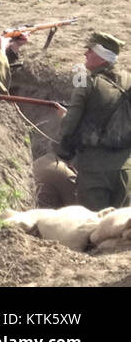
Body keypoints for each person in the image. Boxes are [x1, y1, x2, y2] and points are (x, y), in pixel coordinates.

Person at [56, 32, 131, 210]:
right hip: (126, 169)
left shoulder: (86, 82)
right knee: (123, 231)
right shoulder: (128, 80)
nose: (85, 54)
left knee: (93, 228)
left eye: (90, 50)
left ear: (102, 56)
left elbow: (69, 125)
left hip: (94, 171)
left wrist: (63, 152)